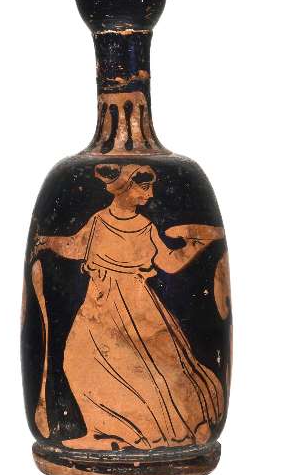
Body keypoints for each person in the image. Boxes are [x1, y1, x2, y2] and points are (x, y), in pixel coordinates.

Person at [31, 163, 225, 451]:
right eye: (143, 187)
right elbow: (76, 246)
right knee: (78, 360)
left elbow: (170, 263)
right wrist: (47, 241)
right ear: (123, 187)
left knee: (143, 370)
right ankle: (101, 431)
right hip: (99, 304)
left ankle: (146, 433)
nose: (150, 194)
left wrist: (197, 244)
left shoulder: (145, 227)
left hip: (136, 306)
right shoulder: (99, 220)